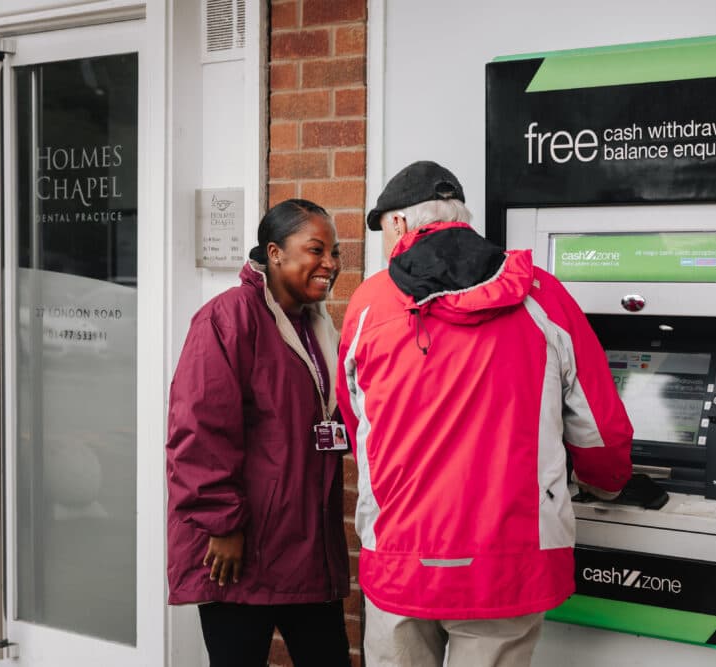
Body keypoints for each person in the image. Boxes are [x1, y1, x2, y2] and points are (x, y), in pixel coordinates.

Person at [335, 161, 634, 667]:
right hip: (509, 561)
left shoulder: (369, 306)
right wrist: (606, 486)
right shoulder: (543, 295)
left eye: (383, 231)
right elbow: (601, 432)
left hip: (402, 555)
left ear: (401, 225)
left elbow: (355, 420)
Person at [166, 199, 351, 667]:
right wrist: (222, 525)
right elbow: (198, 431)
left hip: (307, 548)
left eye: (334, 253)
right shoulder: (228, 318)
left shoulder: (316, 325)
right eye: (316, 249)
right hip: (238, 551)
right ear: (274, 253)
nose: (330, 264)